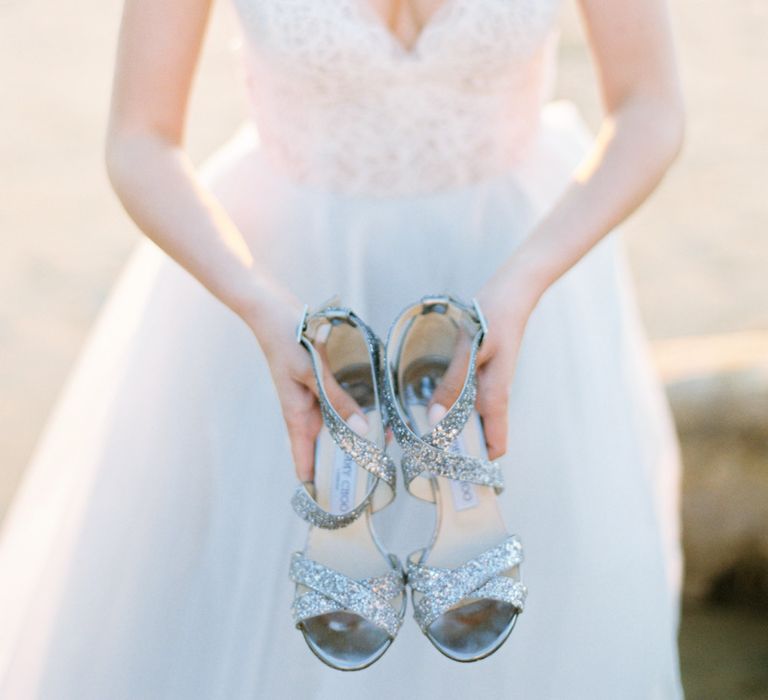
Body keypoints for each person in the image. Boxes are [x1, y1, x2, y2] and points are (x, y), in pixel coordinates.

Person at [0, 0, 686, 697]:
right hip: (275, 290)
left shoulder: (529, 279)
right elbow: (141, 138)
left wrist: (527, 279)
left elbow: (649, 107)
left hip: (523, 276)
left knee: (556, 621)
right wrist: (256, 303)